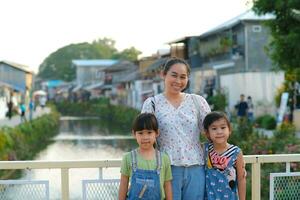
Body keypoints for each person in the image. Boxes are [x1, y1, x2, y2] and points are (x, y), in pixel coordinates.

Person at [141, 57, 211, 200]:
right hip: (166, 169)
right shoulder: (152, 104)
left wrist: (229, 163)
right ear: (163, 75)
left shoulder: (197, 101)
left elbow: (214, 134)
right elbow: (144, 138)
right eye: (174, 75)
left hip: (196, 167)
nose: (178, 81)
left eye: (183, 77)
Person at [118, 113, 172, 200]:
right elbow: (123, 184)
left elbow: (167, 184)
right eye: (141, 133)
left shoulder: (164, 158)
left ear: (157, 133)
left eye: (149, 132)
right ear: (134, 134)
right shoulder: (128, 158)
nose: (145, 137)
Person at [203, 111, 246, 200]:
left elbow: (241, 179)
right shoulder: (205, 149)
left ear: (229, 130)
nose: (219, 132)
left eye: (223, 127)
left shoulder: (236, 152)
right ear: (207, 133)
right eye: (214, 129)